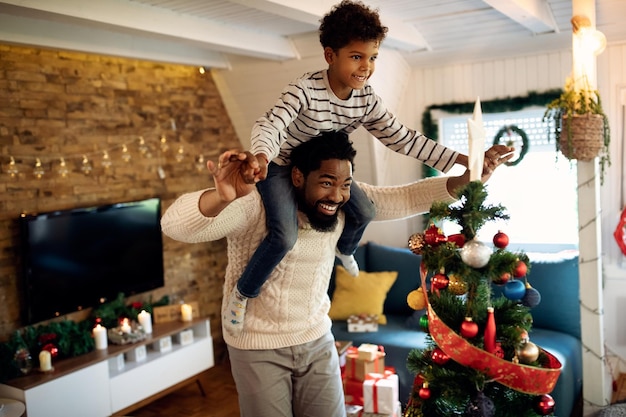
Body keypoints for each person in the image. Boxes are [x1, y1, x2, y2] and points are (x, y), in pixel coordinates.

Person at [160, 131, 513, 417]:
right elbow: (174, 225)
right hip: (257, 346)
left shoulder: (342, 205)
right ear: (298, 176)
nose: (337, 196)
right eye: (326, 182)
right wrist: (220, 198)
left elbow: (405, 198)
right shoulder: (255, 207)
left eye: (345, 184)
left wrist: (468, 179)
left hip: (316, 340)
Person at [226, 0, 490, 337]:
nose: (366, 67)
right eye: (356, 56)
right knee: (284, 236)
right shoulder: (304, 90)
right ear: (330, 55)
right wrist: (262, 157)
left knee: (363, 210)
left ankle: (345, 250)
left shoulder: (365, 99)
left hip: (327, 173)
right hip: (281, 165)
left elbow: (402, 139)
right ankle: (243, 293)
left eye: (373, 57)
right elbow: (271, 124)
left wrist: (464, 160)